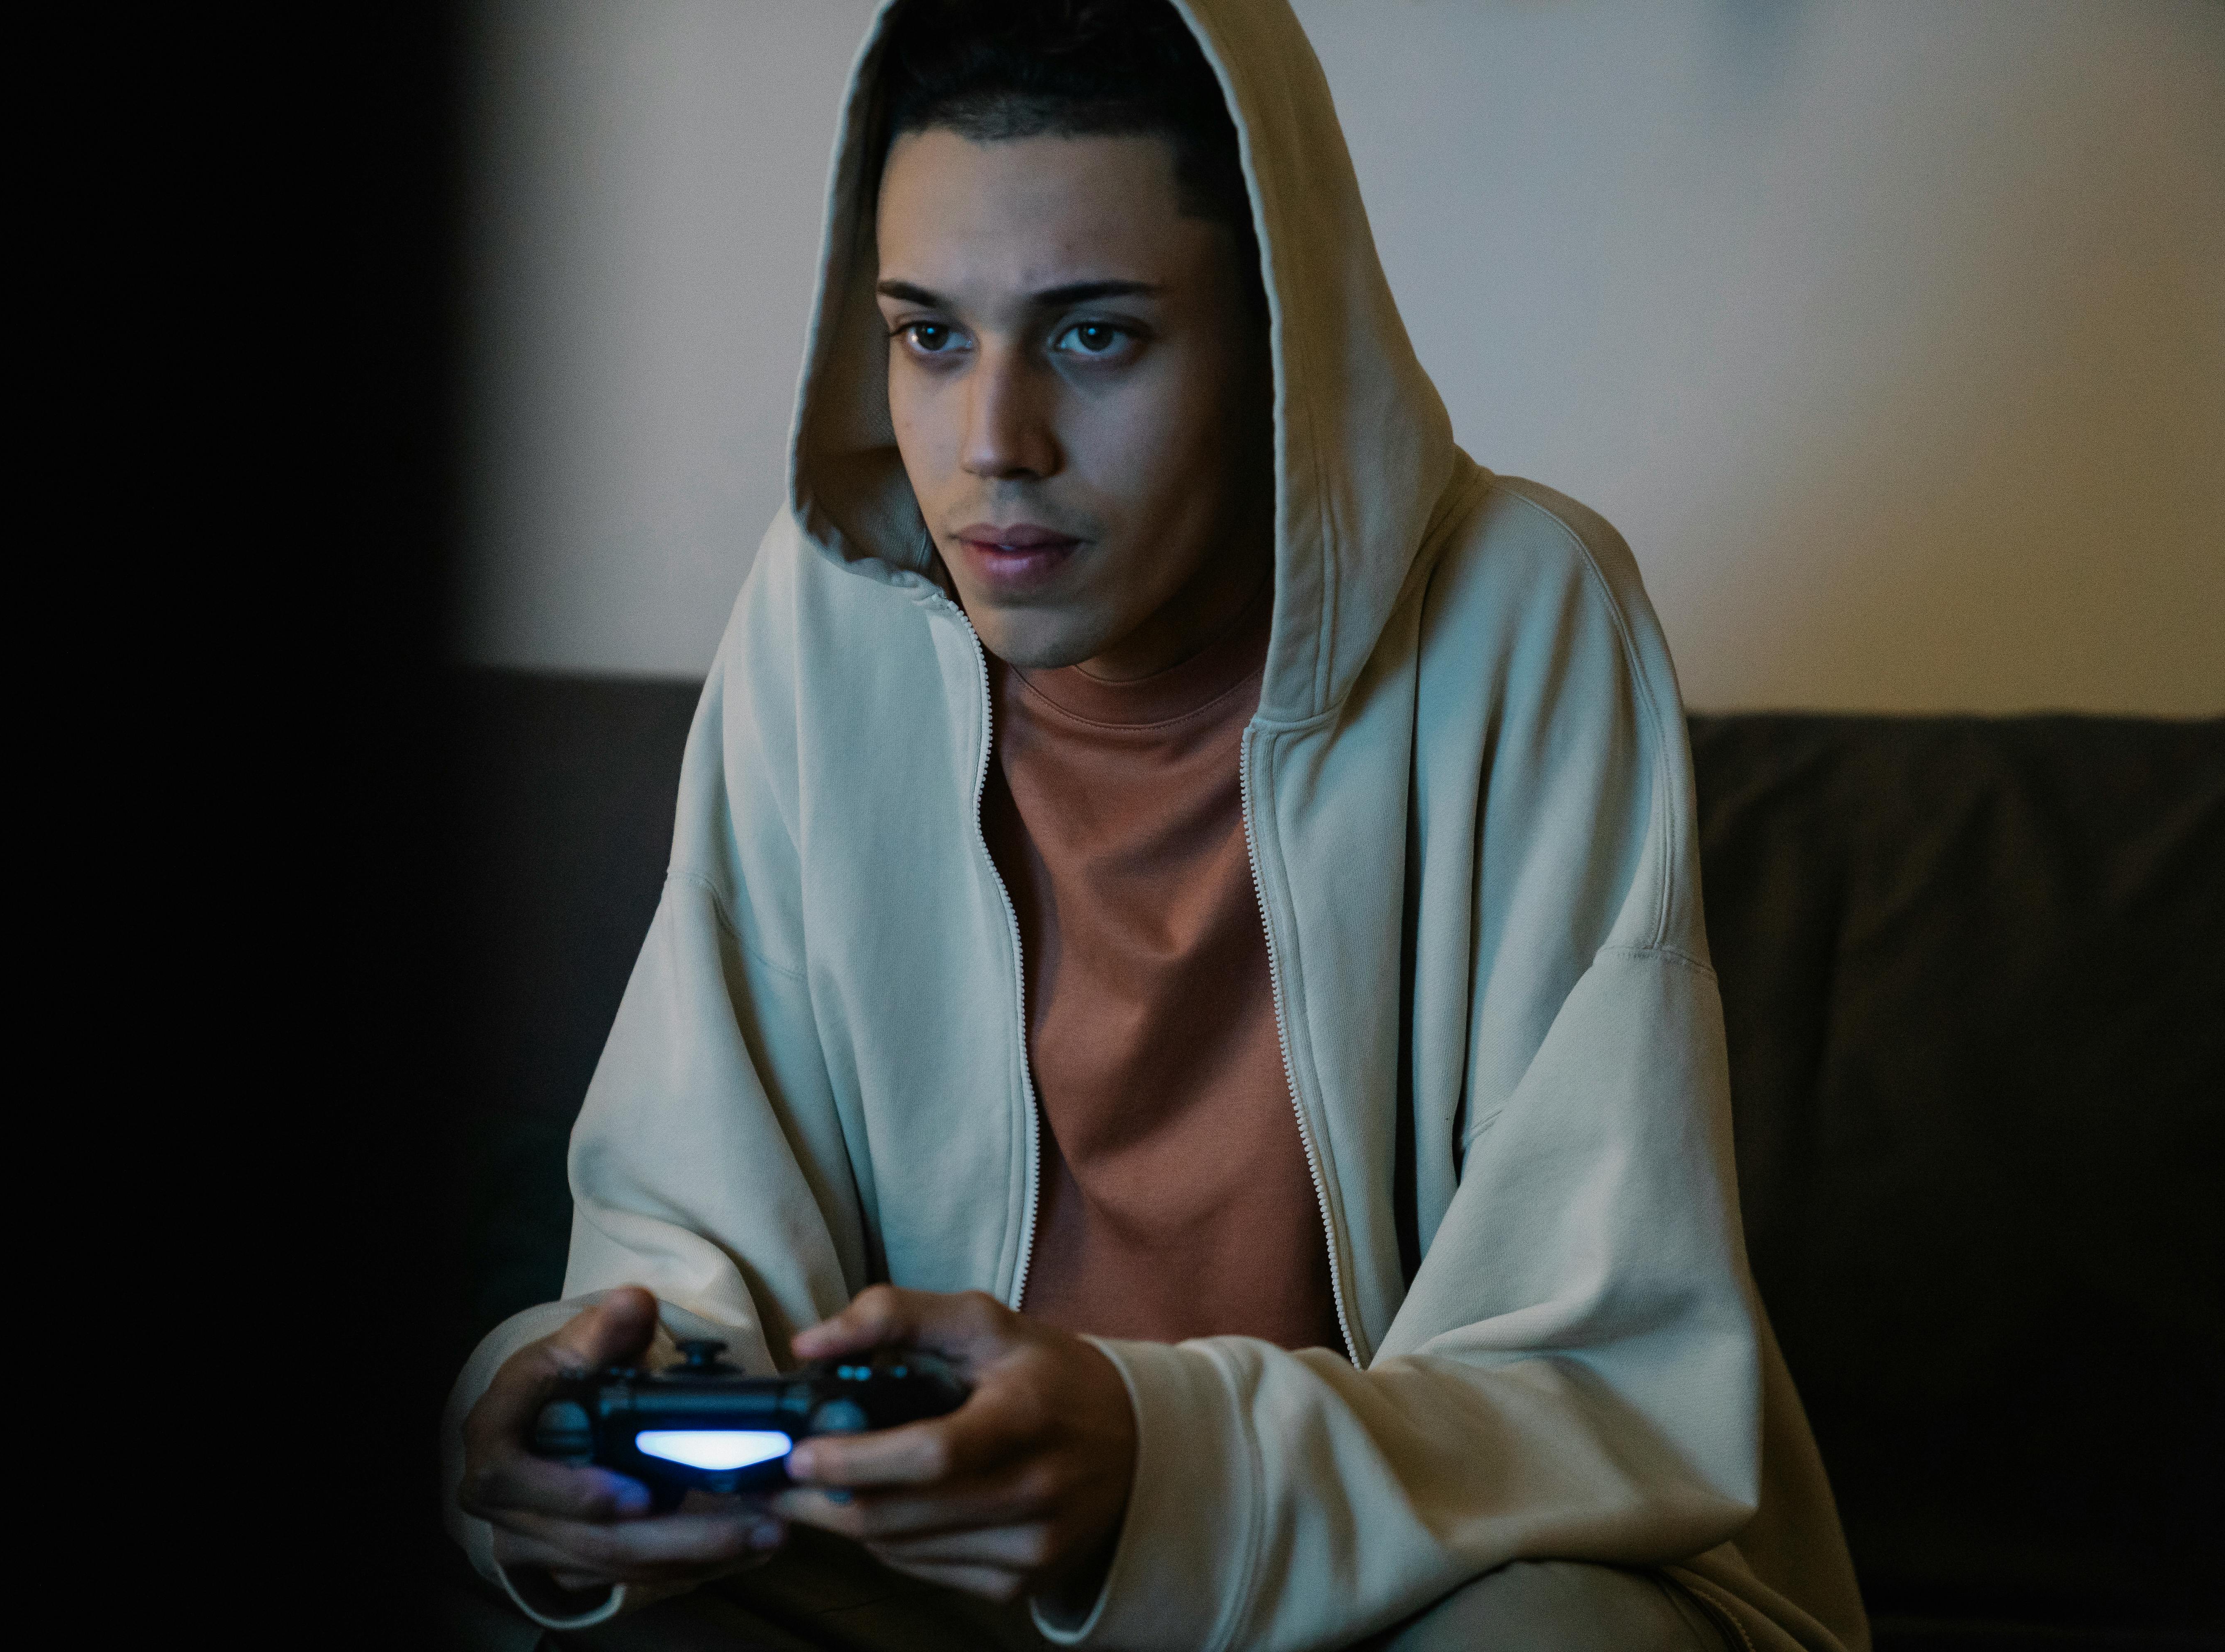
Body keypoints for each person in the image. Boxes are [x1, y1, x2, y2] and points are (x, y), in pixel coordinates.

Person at [444, 2, 1869, 1647]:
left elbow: (1603, 1378)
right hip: (930, 1578)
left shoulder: (1528, 615)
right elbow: (693, 1262)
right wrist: (557, 1433)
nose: (993, 449)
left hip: (1398, 1585)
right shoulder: (826, 618)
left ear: (1278, 321)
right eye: (928, 336)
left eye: (1095, 335)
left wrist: (1157, 1457)